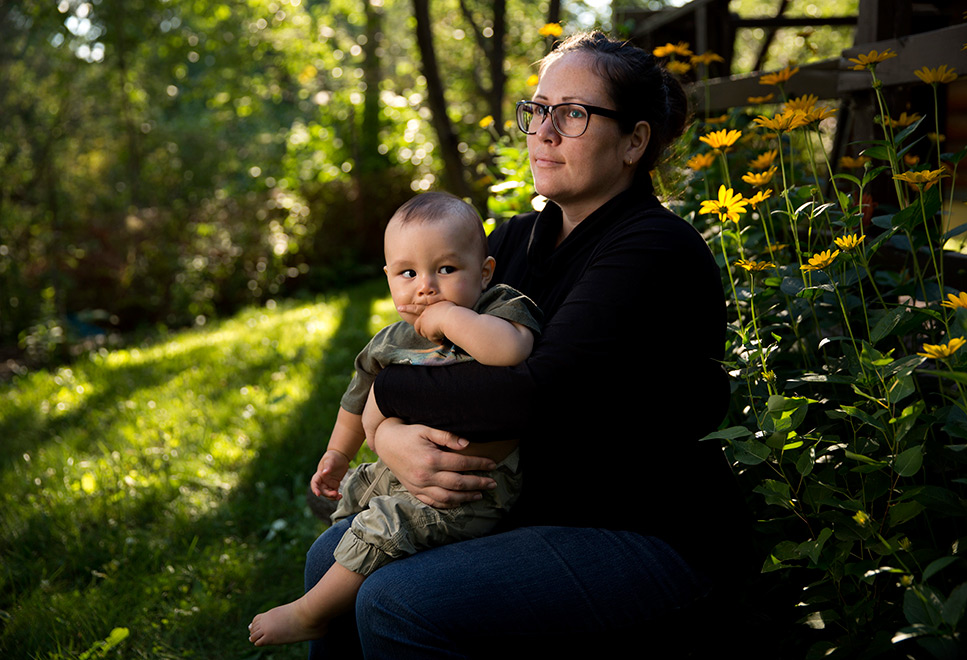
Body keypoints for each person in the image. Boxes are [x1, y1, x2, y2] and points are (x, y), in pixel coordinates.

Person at [305, 31, 754, 658]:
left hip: (644, 531)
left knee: (396, 599)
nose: (544, 130)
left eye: (573, 114)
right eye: (538, 109)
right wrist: (388, 439)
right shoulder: (511, 243)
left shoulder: (654, 251)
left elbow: (529, 399)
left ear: (634, 141)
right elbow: (427, 348)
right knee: (332, 554)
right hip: (532, 506)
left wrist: (385, 395)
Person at [248, 192, 541, 647]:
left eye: (446, 270)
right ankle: (346, 584)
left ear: (483, 272)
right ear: (388, 278)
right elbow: (355, 399)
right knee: (354, 497)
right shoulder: (390, 341)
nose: (425, 287)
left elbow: (510, 351)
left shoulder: (497, 308)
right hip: (402, 471)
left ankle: (311, 613)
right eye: (408, 273)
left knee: (387, 521)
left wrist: (449, 316)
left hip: (472, 488)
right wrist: (337, 454)